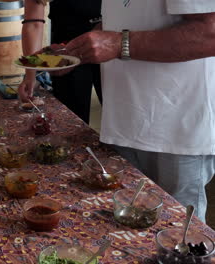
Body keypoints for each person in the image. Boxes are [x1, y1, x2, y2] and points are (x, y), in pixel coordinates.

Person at [62, 0, 215, 221]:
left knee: (177, 235)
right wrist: (78, 50)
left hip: (176, 129)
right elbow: (125, 19)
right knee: (127, 233)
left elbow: (209, 33)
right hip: (125, 121)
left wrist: (118, 44)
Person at [19, 0, 102, 124]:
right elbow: (33, 24)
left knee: (120, 118)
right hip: (65, 51)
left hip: (110, 43)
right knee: (71, 120)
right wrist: (31, 74)